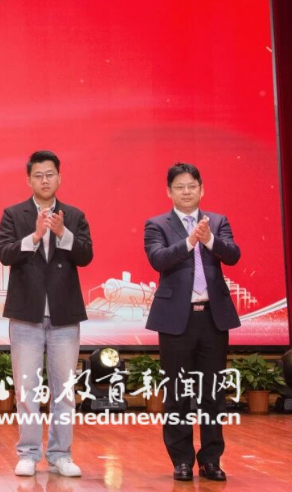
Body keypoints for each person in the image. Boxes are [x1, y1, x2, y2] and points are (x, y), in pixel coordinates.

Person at [0, 150, 93, 478]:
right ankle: (28, 453)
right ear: (29, 180)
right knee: (26, 390)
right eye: (38, 175)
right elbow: (5, 254)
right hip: (27, 315)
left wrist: (63, 233)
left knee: (64, 390)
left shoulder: (74, 215)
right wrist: (36, 236)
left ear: (59, 177)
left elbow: (86, 255)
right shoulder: (14, 214)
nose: (45, 180)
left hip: (64, 316)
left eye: (50, 174)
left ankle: (60, 454)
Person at [144, 163, 241, 482]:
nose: (186, 192)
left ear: (202, 189)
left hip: (213, 318)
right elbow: (158, 259)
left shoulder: (218, 221)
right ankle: (182, 460)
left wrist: (209, 239)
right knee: (178, 393)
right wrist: (189, 242)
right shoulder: (157, 224)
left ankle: (211, 460)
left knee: (213, 393)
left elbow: (233, 255)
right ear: (169, 191)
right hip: (176, 320)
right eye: (180, 187)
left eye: (192, 186)